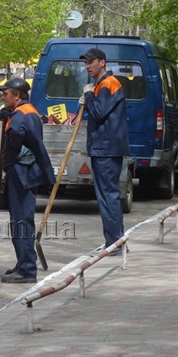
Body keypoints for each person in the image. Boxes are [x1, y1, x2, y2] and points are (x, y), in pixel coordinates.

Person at [0, 77, 55, 283]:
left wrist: (12, 152)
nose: (3, 98)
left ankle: (27, 269)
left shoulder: (21, 115)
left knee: (20, 221)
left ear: (17, 96)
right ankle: (23, 262)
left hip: (22, 174)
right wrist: (8, 115)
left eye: (5, 94)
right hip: (28, 173)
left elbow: (16, 134)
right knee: (22, 220)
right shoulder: (28, 111)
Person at [79, 48, 129, 255]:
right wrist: (89, 98)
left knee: (108, 196)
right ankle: (115, 241)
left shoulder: (108, 84)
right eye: (86, 63)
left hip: (107, 148)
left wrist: (89, 95)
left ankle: (115, 243)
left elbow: (99, 113)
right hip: (104, 147)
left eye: (91, 62)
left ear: (102, 62)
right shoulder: (101, 85)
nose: (87, 66)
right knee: (107, 195)